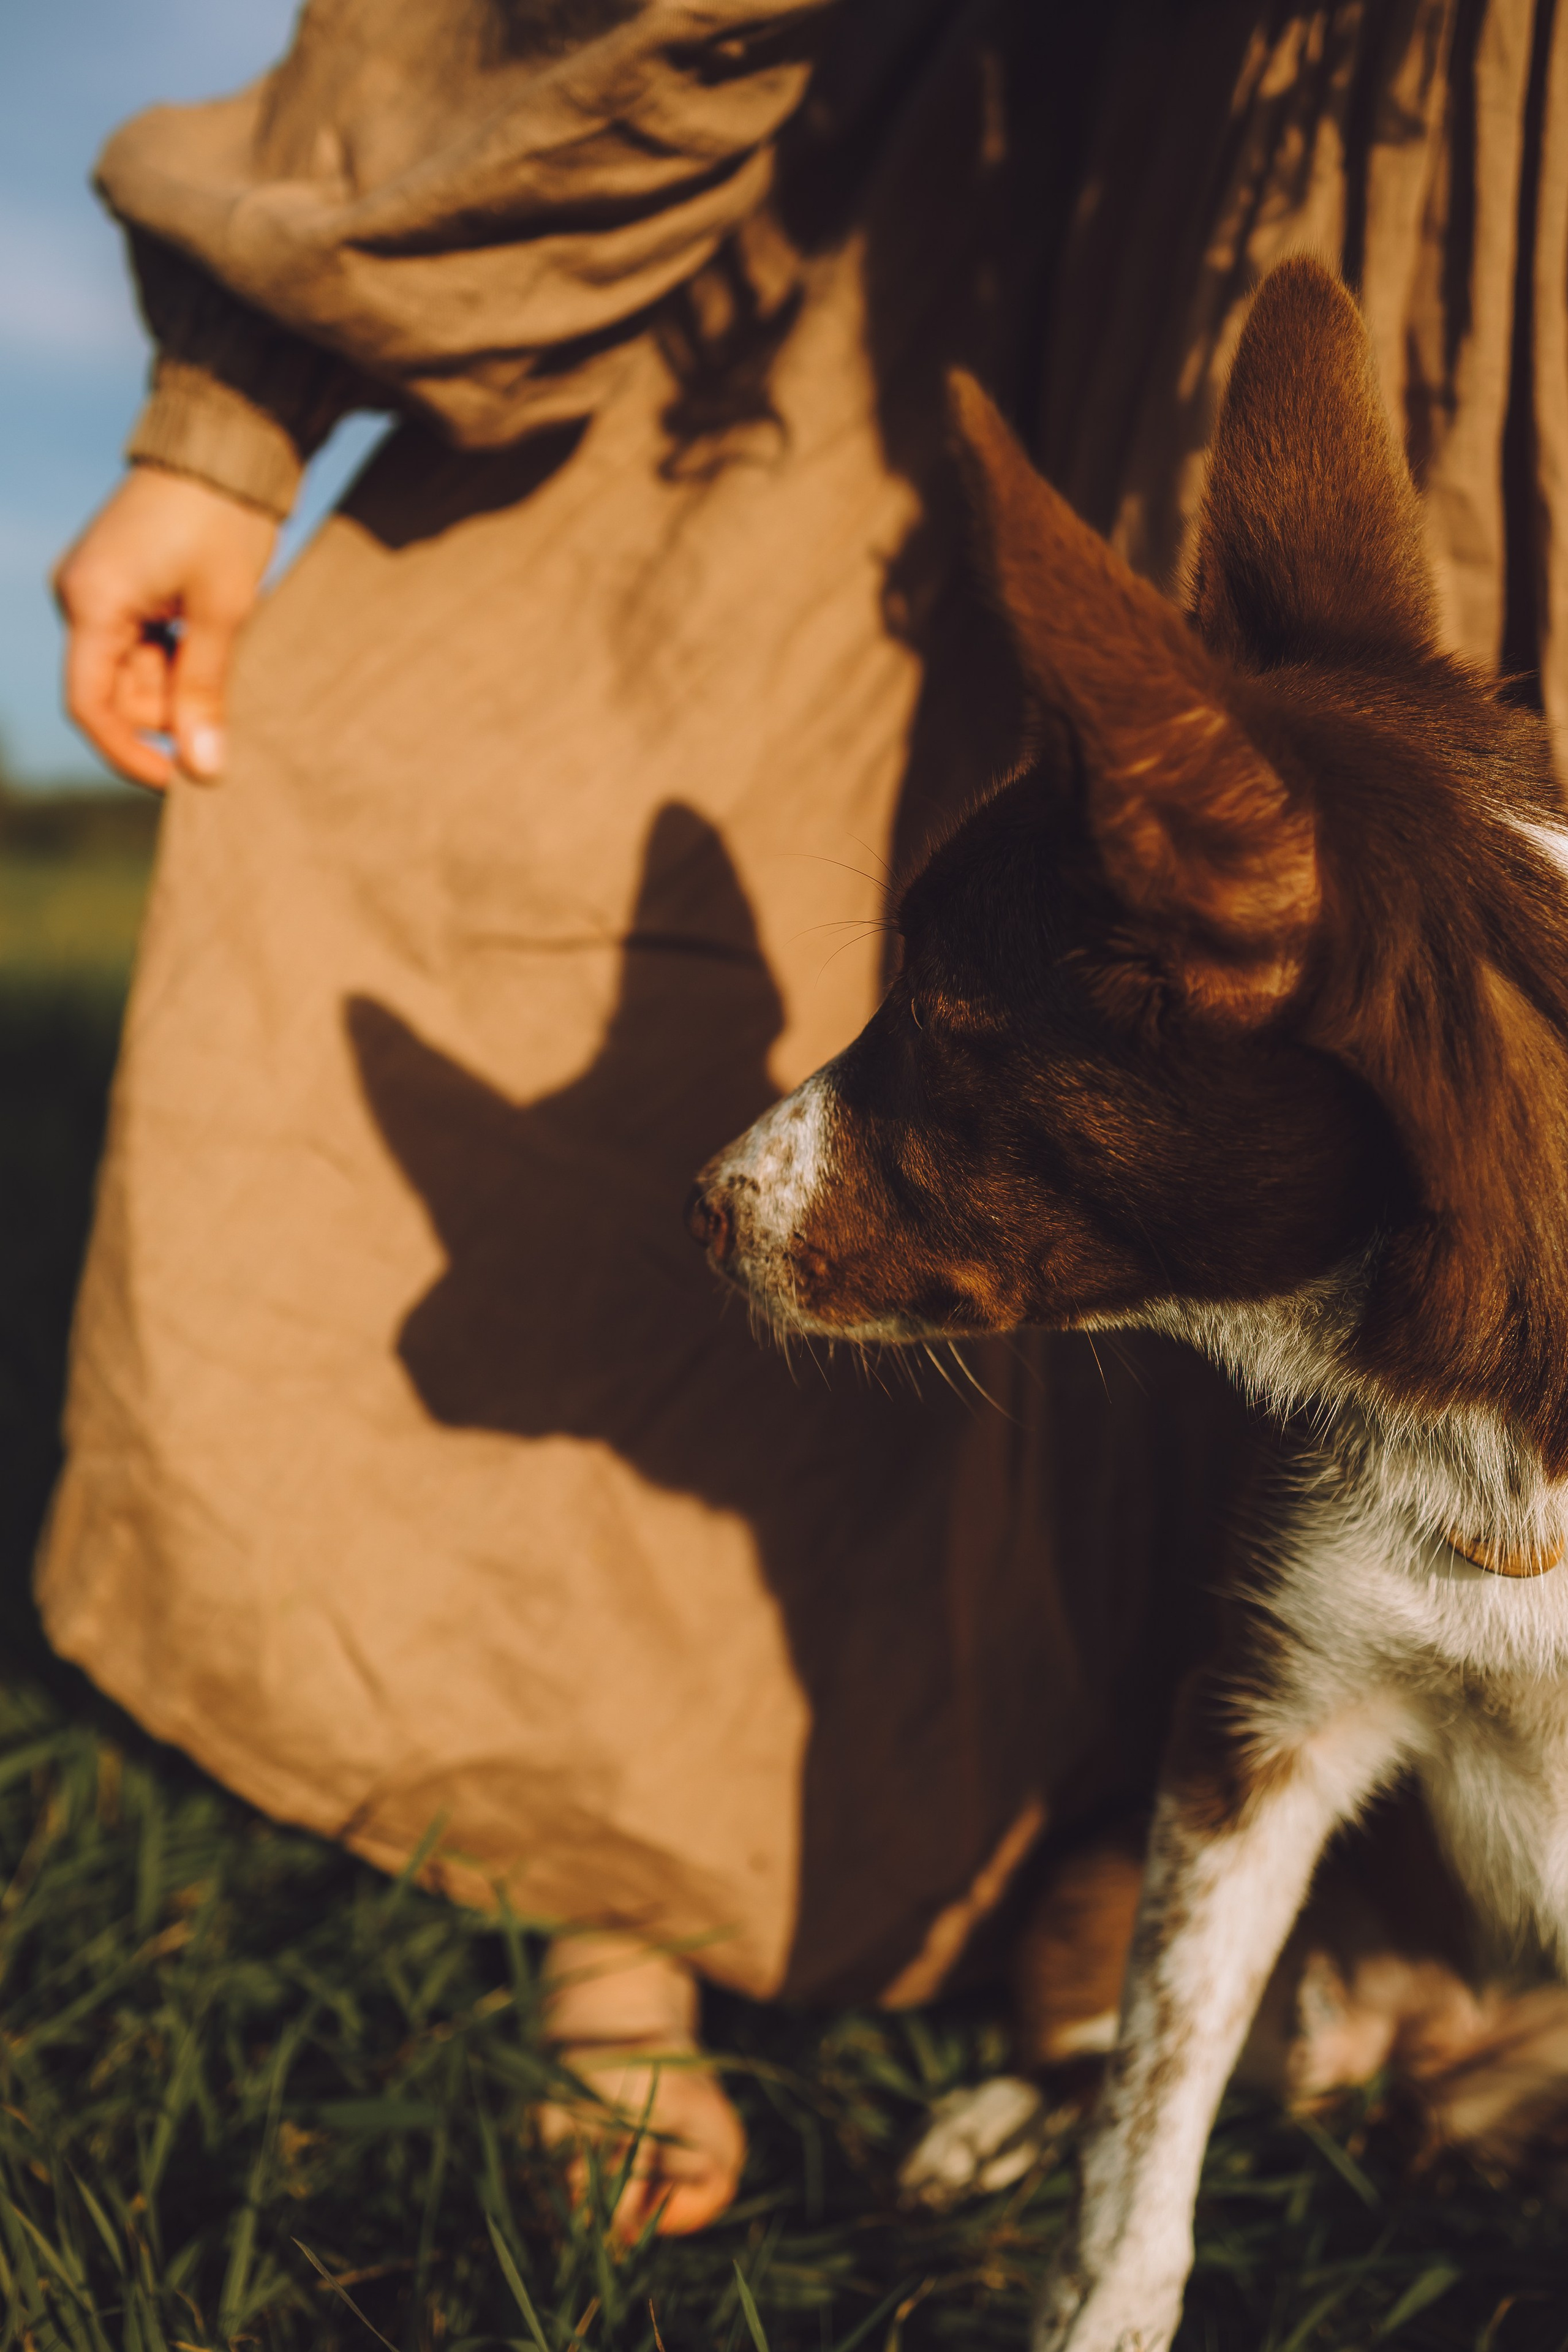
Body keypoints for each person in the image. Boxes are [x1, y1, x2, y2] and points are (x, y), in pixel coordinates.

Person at [48, 0, 1568, 2235]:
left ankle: (1428, 1960)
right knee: (661, 773)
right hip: (1065, 126)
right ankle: (634, 1842)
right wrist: (239, 399)